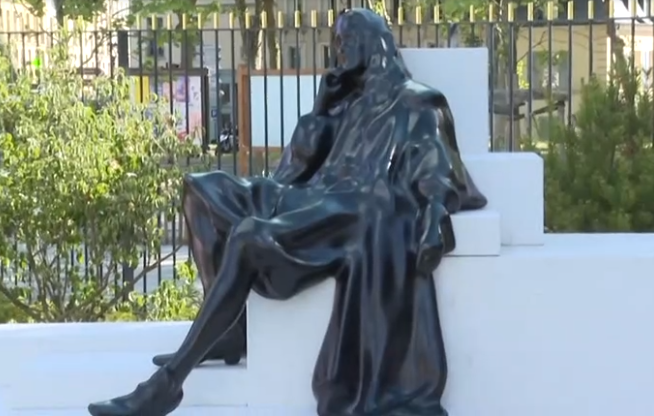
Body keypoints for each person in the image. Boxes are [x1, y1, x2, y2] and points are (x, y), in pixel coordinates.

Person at [87, 8, 486, 416]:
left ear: (374, 43)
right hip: (311, 196)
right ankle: (232, 332)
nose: (339, 51)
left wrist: (434, 214)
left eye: (347, 41)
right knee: (201, 189)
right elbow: (299, 163)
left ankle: (166, 385)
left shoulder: (418, 100)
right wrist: (322, 106)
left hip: (350, 211)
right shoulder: (348, 102)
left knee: (248, 235)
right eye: (337, 43)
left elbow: (434, 165)